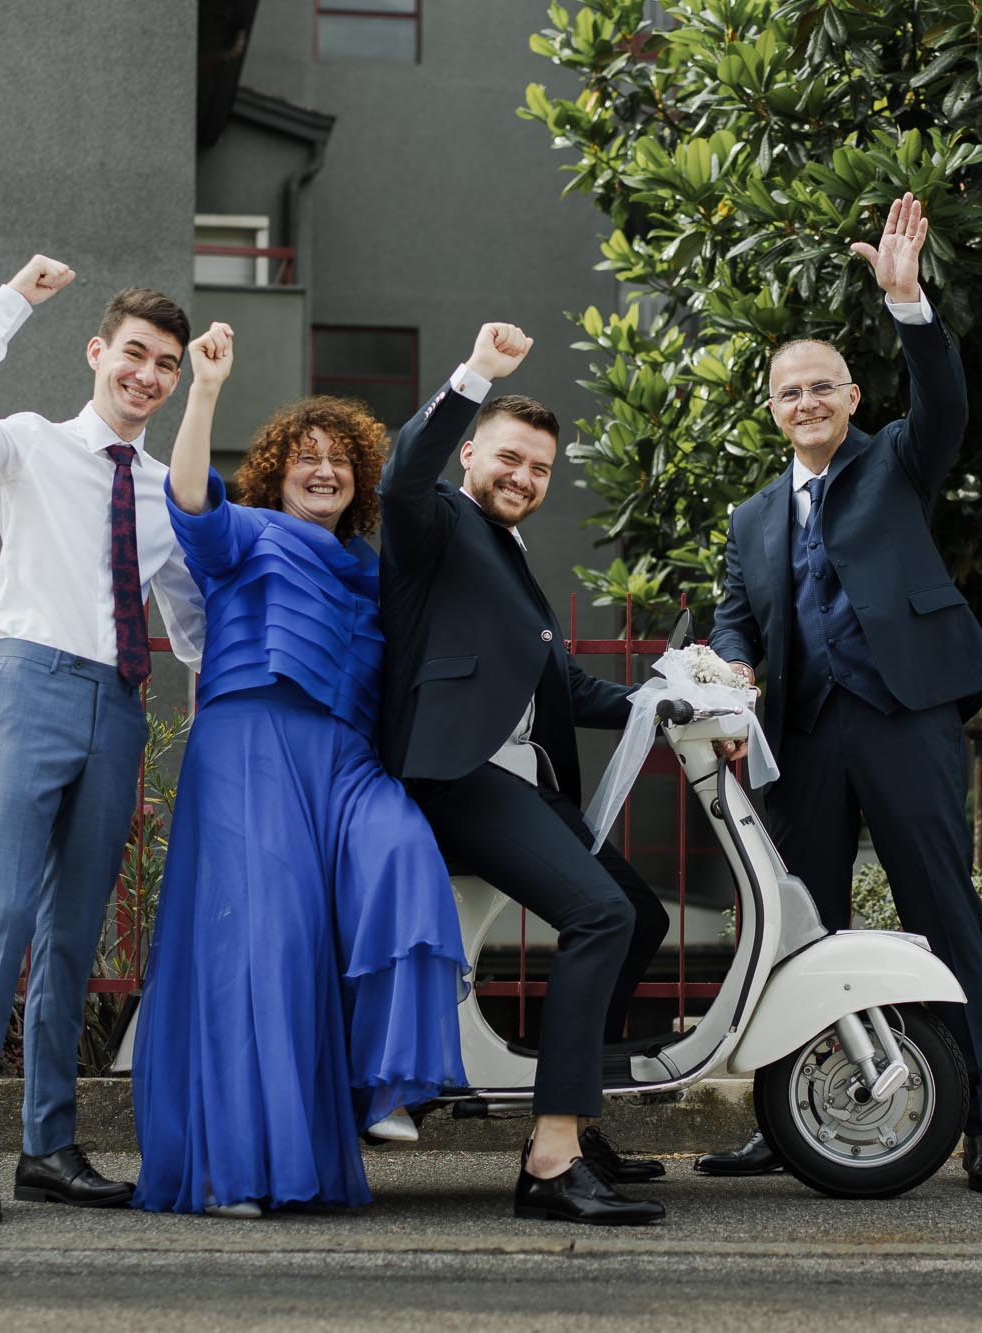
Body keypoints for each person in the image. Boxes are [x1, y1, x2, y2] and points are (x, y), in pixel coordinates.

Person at [702, 195, 982, 1193]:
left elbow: (944, 405)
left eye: (819, 387)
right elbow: (732, 617)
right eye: (786, 391)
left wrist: (907, 300)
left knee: (942, 911)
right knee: (797, 926)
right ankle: (784, 1119)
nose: (803, 402)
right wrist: (732, 667)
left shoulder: (892, 463)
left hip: (903, 719)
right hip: (803, 735)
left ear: (846, 398)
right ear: (770, 408)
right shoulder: (750, 517)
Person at [131, 323, 468, 1217]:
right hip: (249, 747)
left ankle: (387, 1085)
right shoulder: (240, 534)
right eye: (305, 458)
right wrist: (203, 391)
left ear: (358, 475)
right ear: (277, 469)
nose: (324, 471)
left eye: (340, 460)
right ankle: (241, 1168)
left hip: (346, 761)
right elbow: (188, 494)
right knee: (264, 951)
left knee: (405, 855)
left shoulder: (370, 566)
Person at [0, 255, 208, 1224]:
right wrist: (12, 302)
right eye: (135, 353)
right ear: (99, 353)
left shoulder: (165, 492)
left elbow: (191, 627)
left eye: (165, 364)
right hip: (31, 687)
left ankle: (47, 1144)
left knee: (73, 933)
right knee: (1, 913)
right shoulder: (34, 445)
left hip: (118, 707)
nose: (147, 375)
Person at [378, 324, 670, 1226]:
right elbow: (399, 472)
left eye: (540, 469)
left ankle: (578, 1113)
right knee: (600, 912)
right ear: (471, 453)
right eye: (509, 458)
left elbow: (565, 685)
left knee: (642, 916)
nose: (524, 478)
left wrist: (670, 698)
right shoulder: (434, 523)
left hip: (522, 782)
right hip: (454, 775)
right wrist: (477, 374)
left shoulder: (507, 554)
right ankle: (549, 1160)